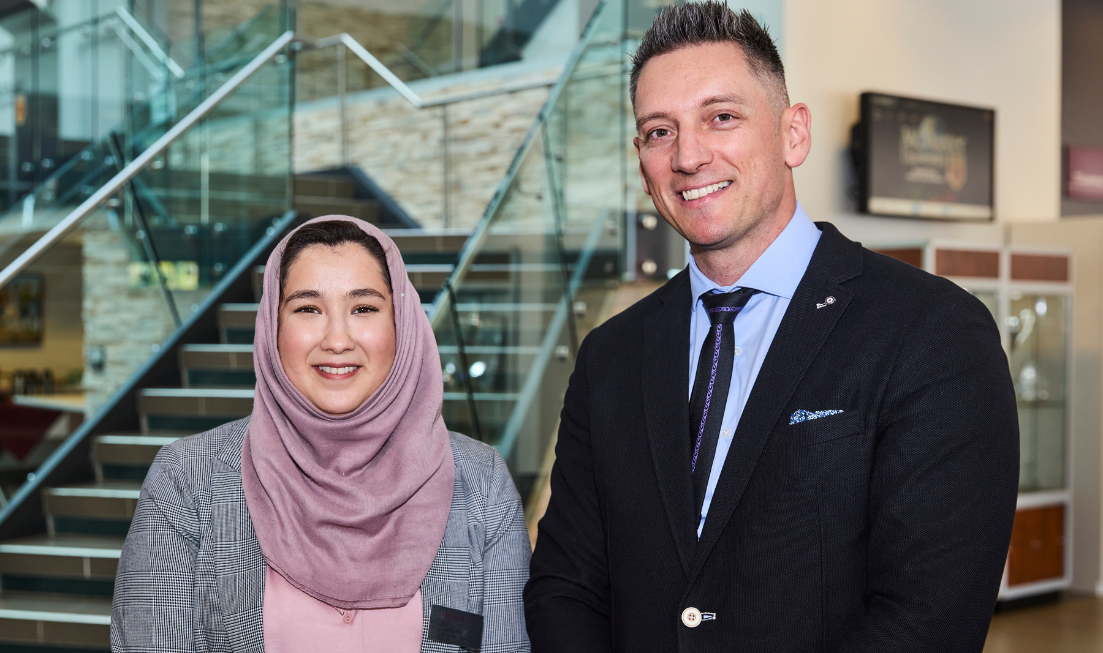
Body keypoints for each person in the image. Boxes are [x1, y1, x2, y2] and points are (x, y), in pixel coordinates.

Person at [524, 4, 1019, 652]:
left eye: (720, 117)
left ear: (793, 134)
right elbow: (568, 585)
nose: (688, 155)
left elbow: (927, 618)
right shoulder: (611, 355)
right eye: (657, 132)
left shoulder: (931, 332)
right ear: (640, 161)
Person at [112, 216, 531, 652]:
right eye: (307, 308)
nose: (336, 339)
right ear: (272, 329)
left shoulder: (481, 482)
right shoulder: (187, 481)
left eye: (364, 308)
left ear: (402, 324)